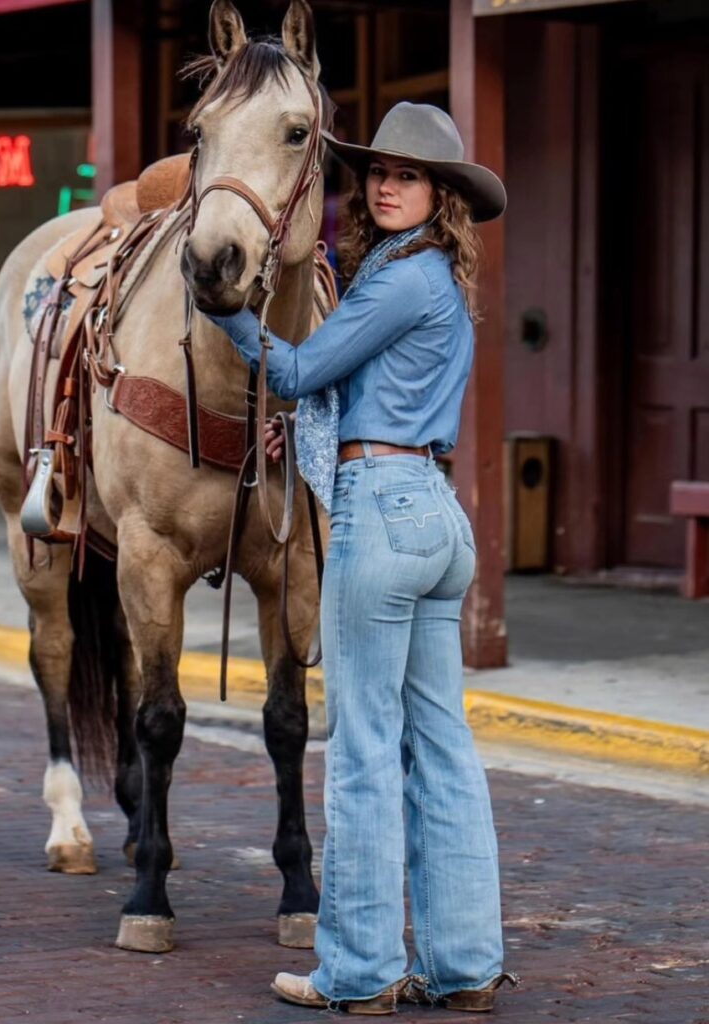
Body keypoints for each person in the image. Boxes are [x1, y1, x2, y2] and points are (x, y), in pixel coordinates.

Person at [207, 101, 517, 1015]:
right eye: (378, 172)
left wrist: (221, 307)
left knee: (366, 753)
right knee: (443, 750)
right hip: (432, 511)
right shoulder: (437, 278)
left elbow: (298, 371)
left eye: (409, 175)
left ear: (441, 194)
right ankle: (463, 969)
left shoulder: (396, 282)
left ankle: (360, 971)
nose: (387, 185)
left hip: (380, 514)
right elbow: (353, 392)